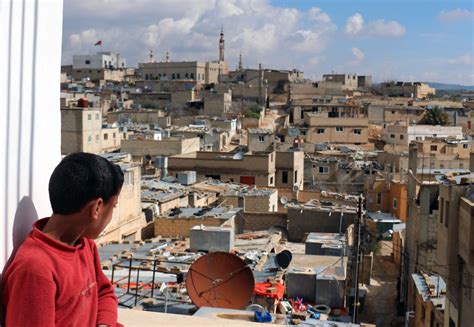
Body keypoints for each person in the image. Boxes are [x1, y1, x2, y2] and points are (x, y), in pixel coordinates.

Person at [2, 152, 124, 326]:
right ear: (96, 208)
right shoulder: (36, 269)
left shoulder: (85, 246)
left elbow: (104, 292)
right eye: (113, 206)